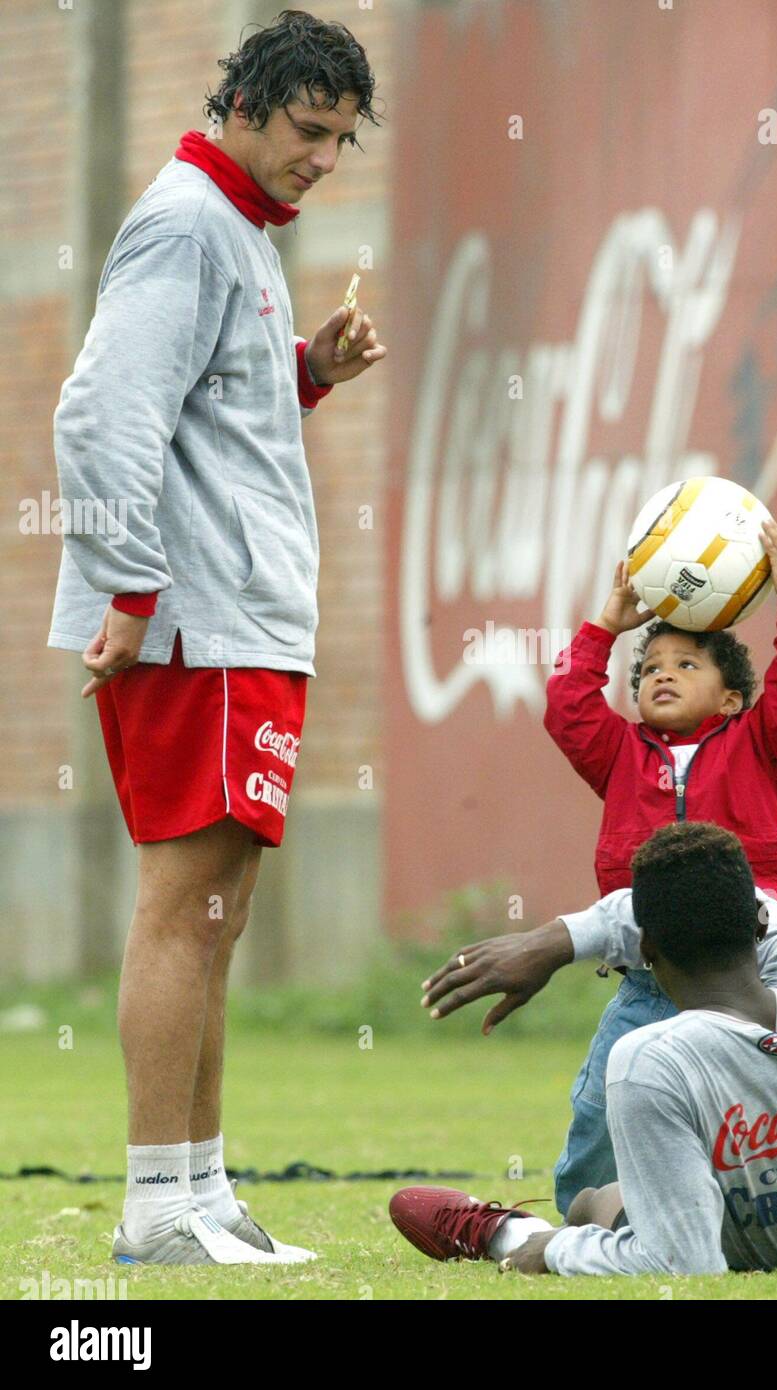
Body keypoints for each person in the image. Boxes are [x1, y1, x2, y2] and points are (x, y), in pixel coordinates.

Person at [46, 10, 386, 1264]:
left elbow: (203, 406)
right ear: (241, 105)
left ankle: (198, 1191)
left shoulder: (240, 228)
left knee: (216, 914)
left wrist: (303, 370)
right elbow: (99, 418)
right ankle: (154, 1209)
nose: (322, 159)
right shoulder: (187, 221)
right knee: (186, 903)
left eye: (341, 141)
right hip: (195, 622)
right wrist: (131, 592)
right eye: (307, 131)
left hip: (238, 621)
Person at [397, 823, 777, 1277]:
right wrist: (557, 940)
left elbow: (682, 1262)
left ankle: (503, 1233)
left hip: (771, 1244)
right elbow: (732, 903)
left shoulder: (649, 1062)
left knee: (596, 1201)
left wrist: (552, 1250)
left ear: (645, 947)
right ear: (759, 922)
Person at [543, 519, 777, 1211]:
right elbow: (567, 704)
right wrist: (605, 626)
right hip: (650, 982)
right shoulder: (618, 754)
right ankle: (588, 1211)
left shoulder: (761, 745)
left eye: (686, 665)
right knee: (603, 1104)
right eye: (649, 670)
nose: (661, 674)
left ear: (731, 699)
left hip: (748, 979)